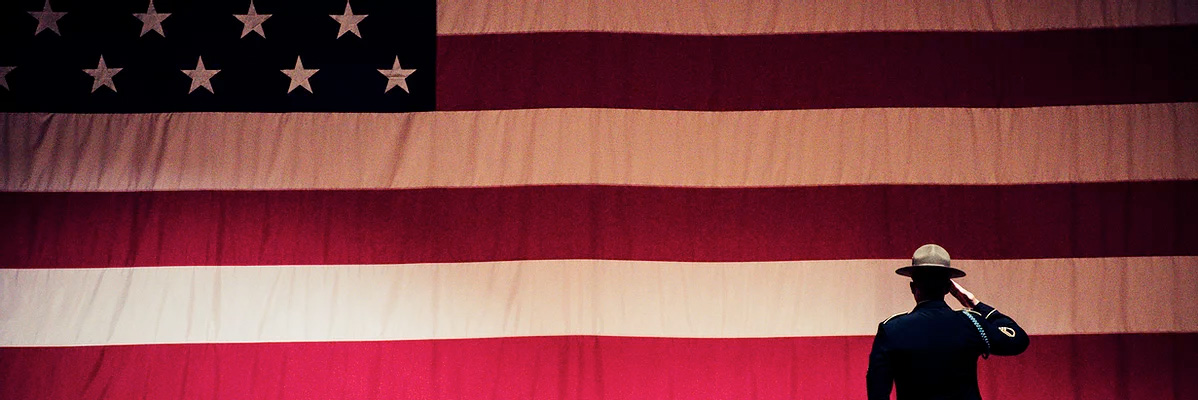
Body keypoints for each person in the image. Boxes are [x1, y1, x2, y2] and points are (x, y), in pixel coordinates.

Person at [866, 244, 1029, 400]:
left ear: (912, 287)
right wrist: (976, 304)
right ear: (947, 289)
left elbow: (877, 390)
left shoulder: (892, 329)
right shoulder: (972, 324)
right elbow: (1018, 340)